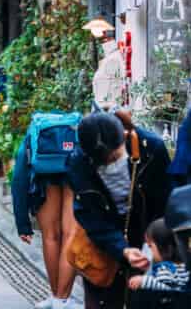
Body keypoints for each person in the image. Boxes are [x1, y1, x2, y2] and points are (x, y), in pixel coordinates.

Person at [67, 111, 172, 309]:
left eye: (114, 156)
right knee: (104, 301)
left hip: (148, 236)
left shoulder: (151, 149)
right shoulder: (79, 163)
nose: (109, 163)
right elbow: (89, 216)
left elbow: (165, 204)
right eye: (102, 161)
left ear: (124, 135)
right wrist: (121, 249)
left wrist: (153, 246)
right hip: (104, 244)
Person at [11, 121, 77, 309]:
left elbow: (19, 178)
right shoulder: (75, 129)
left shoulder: (35, 132)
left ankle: (57, 298)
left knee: (50, 236)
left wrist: (22, 223)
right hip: (73, 174)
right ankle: (63, 300)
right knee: (70, 236)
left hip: (44, 176)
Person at [127, 217, 190, 292]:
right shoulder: (185, 265)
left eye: (150, 246)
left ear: (164, 247)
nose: (150, 252)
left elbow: (171, 291)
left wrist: (144, 281)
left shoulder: (166, 268)